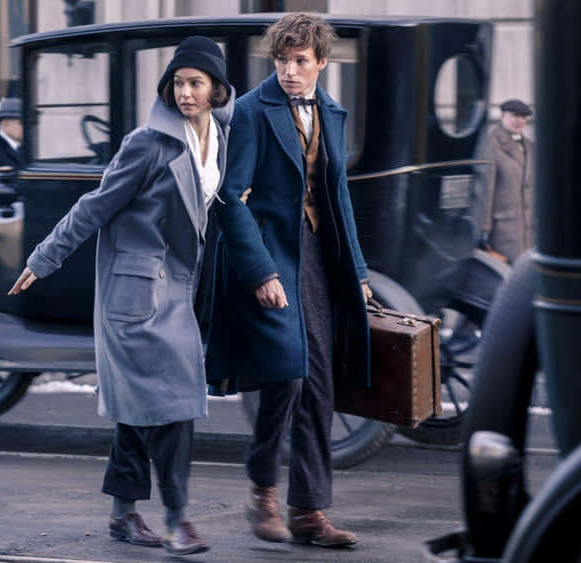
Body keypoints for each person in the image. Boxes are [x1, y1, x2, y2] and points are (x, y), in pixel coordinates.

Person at [8, 36, 234, 556]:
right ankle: (179, 519)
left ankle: (122, 514)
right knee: (176, 401)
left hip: (180, 290)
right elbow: (94, 205)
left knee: (140, 407)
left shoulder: (219, 135)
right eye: (178, 82)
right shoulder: (147, 143)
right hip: (134, 297)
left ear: (217, 90)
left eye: (196, 83)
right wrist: (41, 260)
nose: (185, 92)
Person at [206, 13, 371, 547]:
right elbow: (230, 198)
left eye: (300, 60)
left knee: (320, 384)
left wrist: (359, 272)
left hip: (321, 259)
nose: (290, 71)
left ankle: (309, 512)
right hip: (273, 257)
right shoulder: (251, 112)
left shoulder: (332, 112)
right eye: (282, 60)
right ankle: (262, 491)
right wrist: (259, 270)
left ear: (321, 61)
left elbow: (338, 195)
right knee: (287, 379)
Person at [478, 99, 535, 263]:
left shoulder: (531, 146)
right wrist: (484, 229)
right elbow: (486, 190)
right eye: (514, 115)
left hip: (528, 229)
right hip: (504, 230)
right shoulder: (491, 144)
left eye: (523, 116)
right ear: (502, 116)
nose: (519, 121)